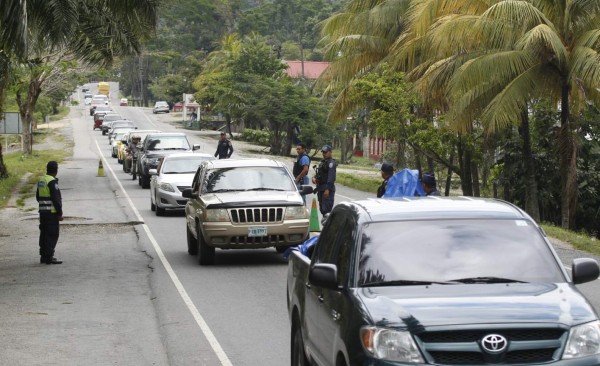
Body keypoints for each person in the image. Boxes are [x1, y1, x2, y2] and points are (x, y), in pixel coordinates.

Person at [36, 161, 63, 264]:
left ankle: (43, 256)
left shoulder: (42, 180)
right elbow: (56, 199)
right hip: (51, 213)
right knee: (52, 234)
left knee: (44, 233)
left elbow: (38, 197)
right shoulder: (52, 182)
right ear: (56, 170)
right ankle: (49, 257)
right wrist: (59, 213)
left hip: (43, 213)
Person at [312, 144, 337, 217]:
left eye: (326, 152)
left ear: (330, 152)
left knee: (326, 211)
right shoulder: (323, 162)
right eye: (323, 152)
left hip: (327, 189)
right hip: (321, 188)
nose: (324, 154)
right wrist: (314, 178)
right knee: (322, 210)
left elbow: (331, 177)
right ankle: (326, 226)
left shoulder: (331, 163)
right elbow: (320, 173)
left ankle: (329, 227)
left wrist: (327, 189)